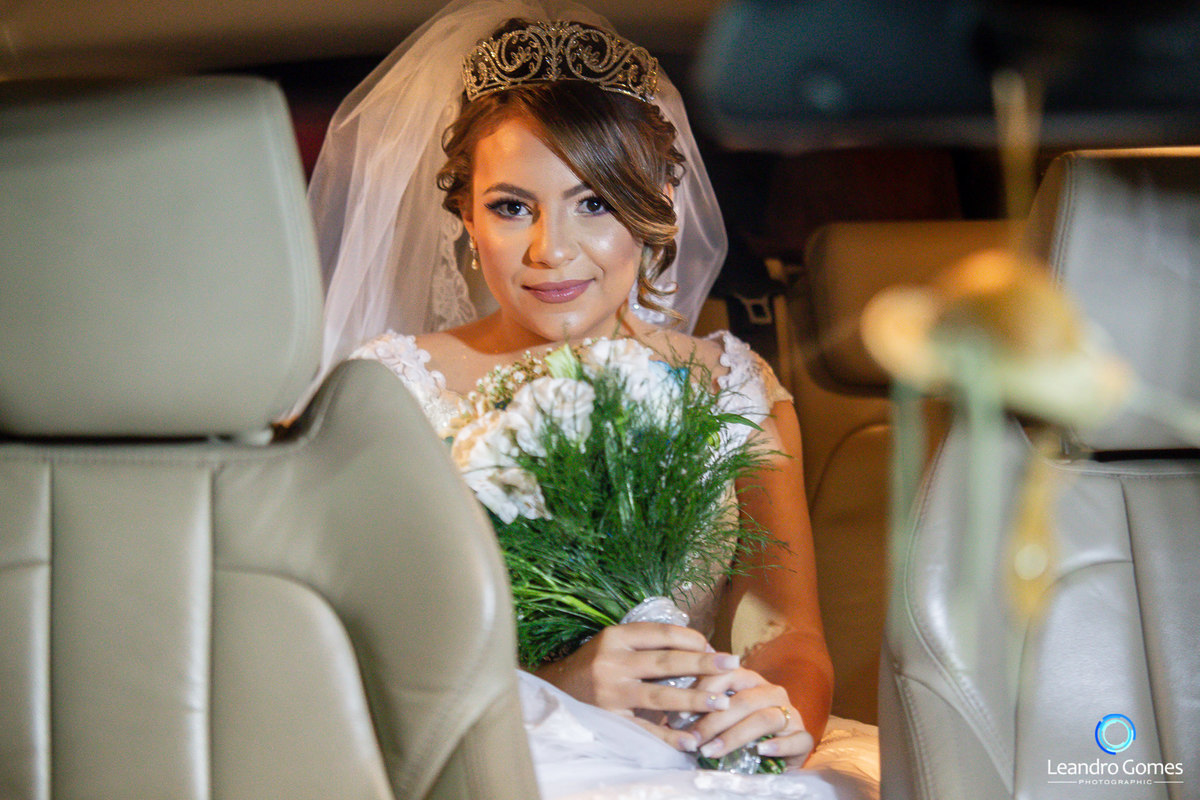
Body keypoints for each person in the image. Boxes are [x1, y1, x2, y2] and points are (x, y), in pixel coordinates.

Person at [310, 2, 879, 797]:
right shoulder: (385, 391)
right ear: (466, 215)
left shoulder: (735, 385)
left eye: (596, 202)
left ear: (658, 207)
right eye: (512, 207)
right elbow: (354, 659)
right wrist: (555, 690)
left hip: (702, 756)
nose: (551, 250)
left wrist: (773, 721)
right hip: (490, 758)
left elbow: (785, 637)